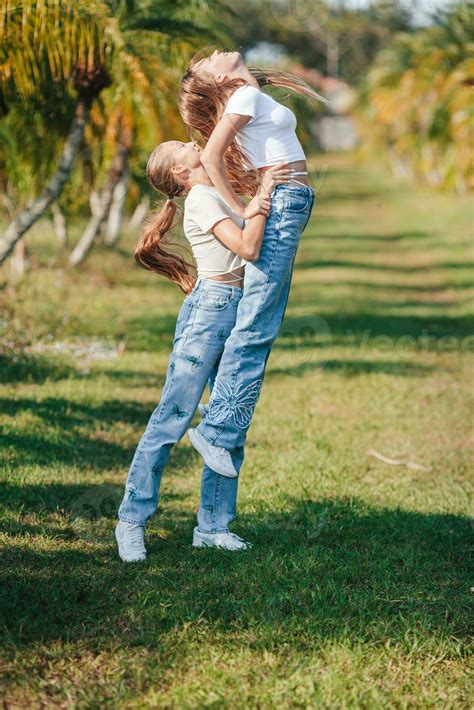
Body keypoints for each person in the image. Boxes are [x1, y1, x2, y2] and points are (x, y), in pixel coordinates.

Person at [116, 138, 291, 561]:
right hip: (210, 311)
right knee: (173, 417)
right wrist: (265, 194)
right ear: (180, 171)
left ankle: (213, 526)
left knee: (228, 415)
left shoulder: (215, 190)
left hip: (238, 306)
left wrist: (261, 191)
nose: (193, 140)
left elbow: (250, 227)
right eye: (182, 145)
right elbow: (248, 247)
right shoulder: (199, 199)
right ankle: (131, 521)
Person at [178, 50, 324, 477]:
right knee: (258, 324)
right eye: (208, 61)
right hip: (284, 200)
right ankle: (218, 431)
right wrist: (241, 207)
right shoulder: (244, 97)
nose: (216, 53)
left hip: (290, 200)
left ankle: (220, 416)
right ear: (220, 80)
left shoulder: (249, 96)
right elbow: (210, 158)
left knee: (259, 320)